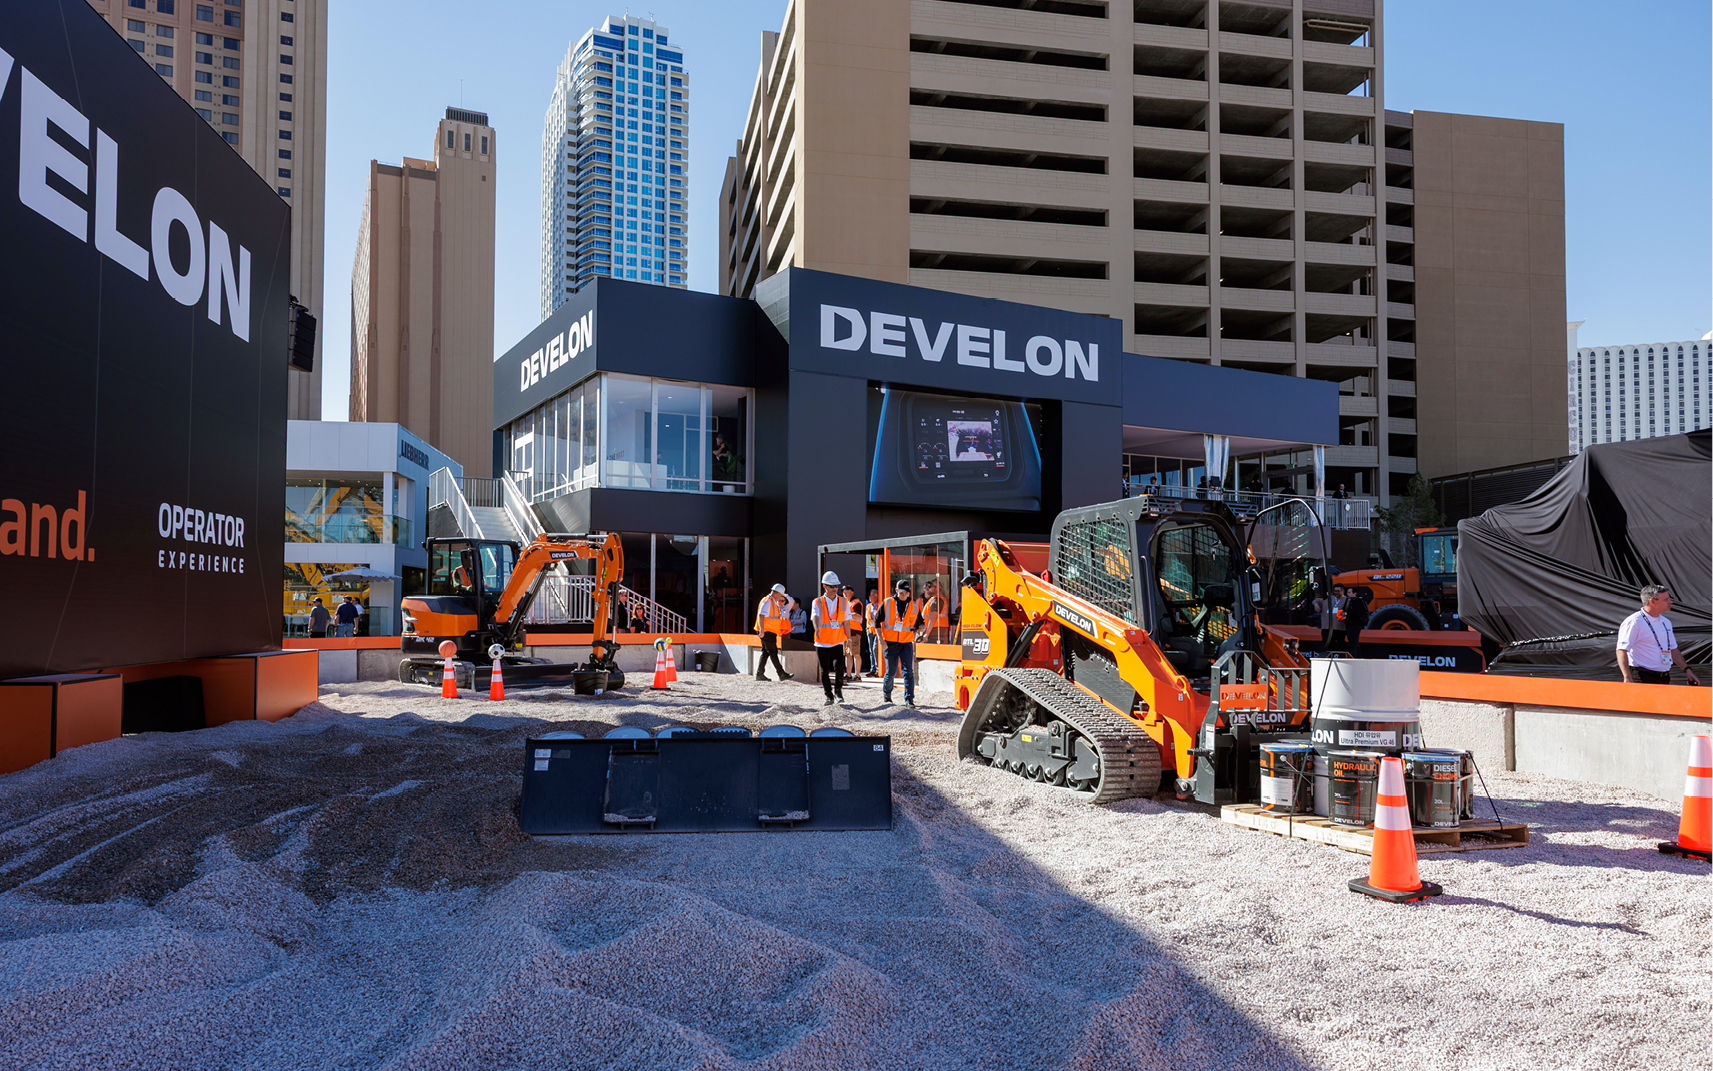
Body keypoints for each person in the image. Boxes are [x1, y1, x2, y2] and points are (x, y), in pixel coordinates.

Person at [1618, 584, 1701, 685]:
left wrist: (1687, 670)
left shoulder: (1665, 622)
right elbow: (1622, 650)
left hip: (1664, 677)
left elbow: (1673, 649)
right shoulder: (1634, 622)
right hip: (1642, 677)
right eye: (1666, 599)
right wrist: (1627, 678)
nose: (1670, 602)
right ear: (1652, 602)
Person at [877, 579, 923, 708]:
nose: (904, 595)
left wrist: (921, 627)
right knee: (891, 671)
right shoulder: (887, 603)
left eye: (907, 592)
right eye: (902, 592)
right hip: (890, 643)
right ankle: (887, 695)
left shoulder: (914, 605)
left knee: (908, 671)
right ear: (896, 591)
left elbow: (920, 622)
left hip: (906, 643)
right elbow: (876, 622)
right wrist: (881, 640)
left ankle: (909, 700)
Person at [810, 571, 852, 706]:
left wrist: (849, 640)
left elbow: (846, 622)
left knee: (839, 667)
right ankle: (828, 696)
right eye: (832, 586)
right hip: (822, 642)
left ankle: (838, 692)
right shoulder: (817, 602)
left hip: (838, 640)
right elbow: (815, 617)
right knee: (824, 670)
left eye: (836, 586)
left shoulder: (844, 602)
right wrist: (816, 629)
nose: (835, 589)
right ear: (825, 586)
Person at [753, 583, 795, 682]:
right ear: (776, 593)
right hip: (767, 631)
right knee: (773, 652)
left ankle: (760, 673)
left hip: (769, 631)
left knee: (766, 652)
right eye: (781, 595)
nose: (781, 598)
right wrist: (762, 631)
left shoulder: (769, 601)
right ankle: (781, 674)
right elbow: (761, 615)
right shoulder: (768, 601)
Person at [842, 584, 865, 680]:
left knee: (855, 653)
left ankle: (857, 675)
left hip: (855, 631)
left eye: (847, 592)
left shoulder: (856, 603)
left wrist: (846, 615)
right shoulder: (846, 603)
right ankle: (848, 675)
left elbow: (858, 616)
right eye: (844, 593)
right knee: (847, 654)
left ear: (852, 593)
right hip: (846, 632)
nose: (845, 594)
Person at [1314, 584, 1345, 652]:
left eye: (1338, 591)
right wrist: (1316, 605)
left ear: (1343, 591)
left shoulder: (1346, 599)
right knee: (1327, 645)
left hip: (1340, 628)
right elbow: (1316, 600)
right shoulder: (1328, 598)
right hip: (1327, 627)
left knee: (1340, 645)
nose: (1336, 593)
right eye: (1335, 591)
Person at [1343, 589, 1369, 658]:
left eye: (1349, 592)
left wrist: (1346, 614)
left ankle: (1354, 657)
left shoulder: (1356, 602)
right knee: (1354, 642)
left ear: (1355, 593)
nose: (1347, 594)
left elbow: (1356, 613)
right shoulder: (1353, 601)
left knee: (1353, 643)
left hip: (1353, 625)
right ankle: (1358, 657)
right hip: (1355, 625)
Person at [864, 586, 884, 676]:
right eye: (870, 596)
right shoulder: (868, 606)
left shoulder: (880, 605)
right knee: (871, 650)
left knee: (875, 649)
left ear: (877, 596)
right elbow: (866, 618)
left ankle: (878, 669)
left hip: (877, 631)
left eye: (872, 596)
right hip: (869, 630)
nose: (870, 597)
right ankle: (873, 669)